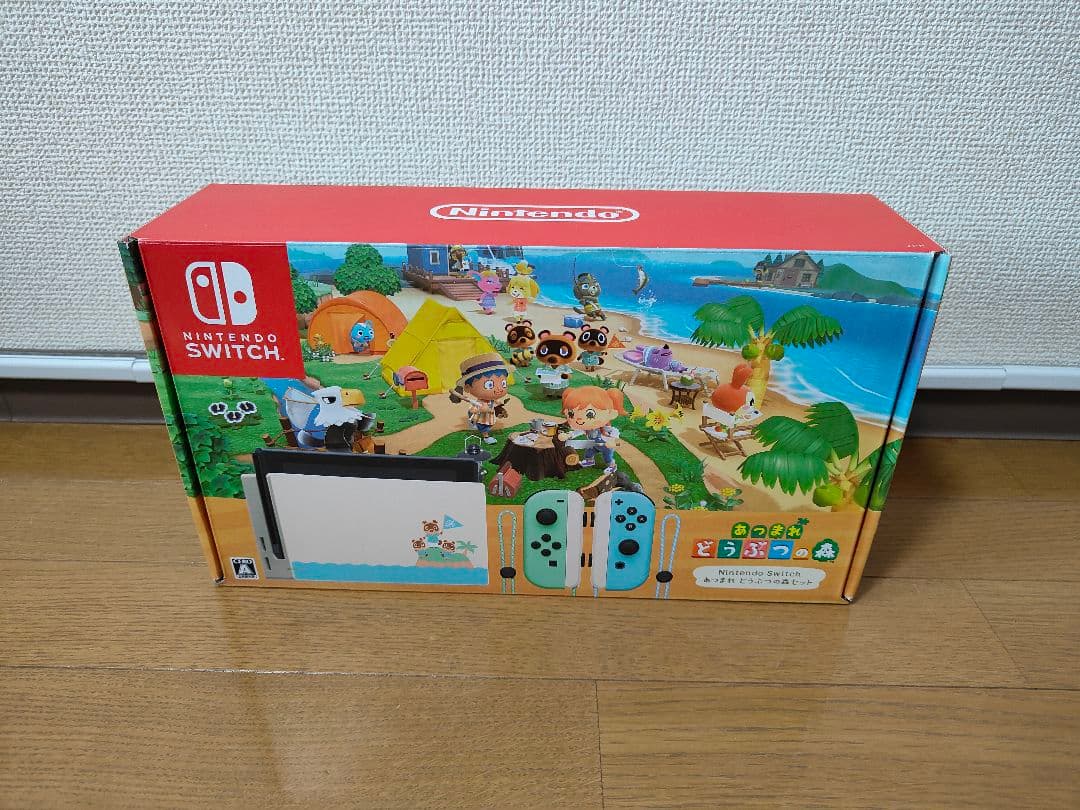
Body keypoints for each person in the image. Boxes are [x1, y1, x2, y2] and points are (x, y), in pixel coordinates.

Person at [558, 386, 627, 473]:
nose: (579, 420)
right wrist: (568, 435)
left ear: (611, 413)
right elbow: (577, 432)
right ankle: (589, 461)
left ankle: (612, 466)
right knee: (589, 453)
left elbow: (617, 439)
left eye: (590, 415)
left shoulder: (606, 429)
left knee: (608, 458)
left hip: (606, 447)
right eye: (571, 414)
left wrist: (613, 442)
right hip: (593, 444)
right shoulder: (587, 428)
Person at [451, 352, 510, 444]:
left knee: (489, 425)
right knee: (484, 427)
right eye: (489, 385)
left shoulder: (492, 400)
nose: (499, 389)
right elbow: (472, 410)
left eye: (503, 384)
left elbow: (496, 404)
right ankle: (485, 436)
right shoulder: (480, 402)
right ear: (467, 387)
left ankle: (478, 426)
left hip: (489, 417)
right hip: (483, 419)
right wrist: (480, 409)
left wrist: (499, 406)